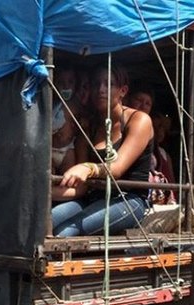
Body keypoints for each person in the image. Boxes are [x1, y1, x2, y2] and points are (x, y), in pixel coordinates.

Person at [51, 63, 153, 237]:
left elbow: (117, 168)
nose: (101, 89)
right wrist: (45, 193)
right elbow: (81, 187)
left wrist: (88, 168)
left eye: (109, 84)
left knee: (64, 232)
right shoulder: (88, 126)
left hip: (128, 199)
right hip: (91, 198)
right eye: (96, 84)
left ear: (123, 91)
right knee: (45, 221)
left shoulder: (138, 120)